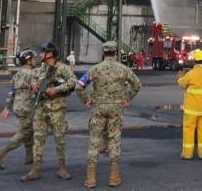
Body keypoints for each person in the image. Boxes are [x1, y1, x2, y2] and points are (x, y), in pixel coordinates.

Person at [78, 41, 142, 188]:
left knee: (94, 141)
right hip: (116, 108)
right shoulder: (123, 69)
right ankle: (113, 178)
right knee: (114, 140)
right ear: (116, 53)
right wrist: (127, 99)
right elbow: (137, 84)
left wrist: (87, 100)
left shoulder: (95, 69)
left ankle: (91, 179)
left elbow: (79, 86)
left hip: (98, 108)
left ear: (103, 53)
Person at [22, 42, 76, 182]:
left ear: (50, 54)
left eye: (42, 52)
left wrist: (56, 89)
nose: (40, 54)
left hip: (57, 110)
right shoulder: (40, 70)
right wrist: (33, 84)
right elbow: (32, 80)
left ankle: (62, 168)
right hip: (41, 108)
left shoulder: (62, 68)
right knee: (38, 140)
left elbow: (73, 82)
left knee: (60, 140)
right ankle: (35, 170)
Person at [0, 48, 38, 170]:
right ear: (28, 61)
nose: (35, 60)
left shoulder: (16, 75)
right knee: (24, 132)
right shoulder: (33, 74)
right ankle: (0, 153)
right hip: (28, 106)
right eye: (33, 59)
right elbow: (36, 90)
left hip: (17, 107)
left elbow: (11, 92)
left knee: (28, 130)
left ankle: (29, 157)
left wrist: (7, 107)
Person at [177, 49, 202, 160]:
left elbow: (182, 84)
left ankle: (187, 154)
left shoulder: (191, 74)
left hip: (192, 109)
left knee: (189, 130)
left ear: (195, 62)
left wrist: (179, 77)